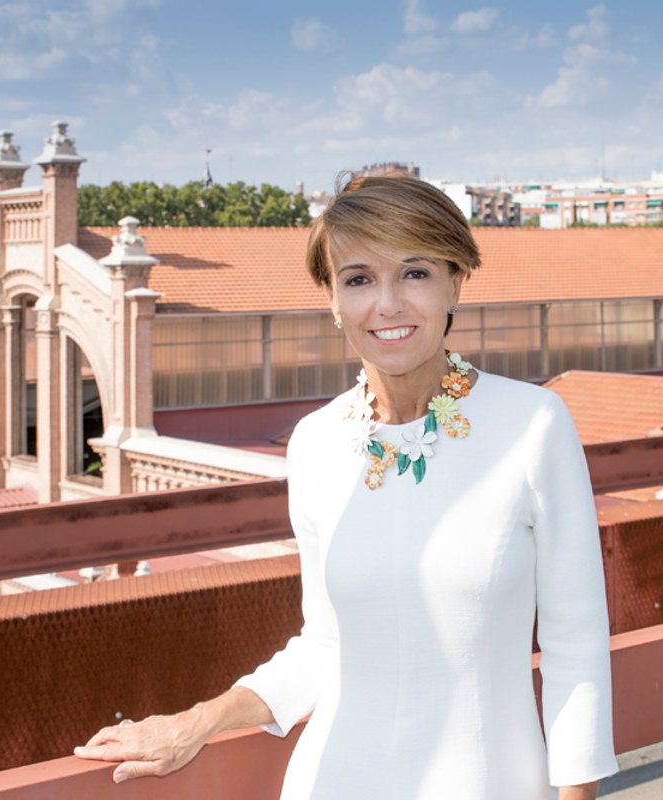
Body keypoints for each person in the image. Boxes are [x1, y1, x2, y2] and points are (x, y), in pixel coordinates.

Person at [75, 173, 618, 799]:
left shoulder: (533, 424)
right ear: (332, 299)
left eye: (414, 273)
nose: (387, 304)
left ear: (455, 283)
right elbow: (328, 644)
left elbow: (576, 642)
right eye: (358, 279)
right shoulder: (316, 443)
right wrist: (197, 722)